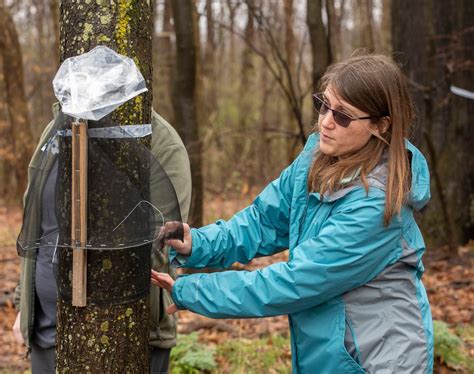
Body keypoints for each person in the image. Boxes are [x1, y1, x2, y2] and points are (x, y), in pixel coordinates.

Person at [152, 54, 434, 373]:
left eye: (343, 116)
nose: (326, 121)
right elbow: (262, 222)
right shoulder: (315, 159)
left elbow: (296, 282)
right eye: (324, 105)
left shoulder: (377, 205)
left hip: (378, 361)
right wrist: (197, 243)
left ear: (380, 125)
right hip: (332, 352)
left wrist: (195, 291)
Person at [12, 103, 192, 374]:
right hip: (46, 336)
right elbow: (36, 224)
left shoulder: (161, 142)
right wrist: (24, 304)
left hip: (128, 342)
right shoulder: (56, 129)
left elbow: (161, 244)